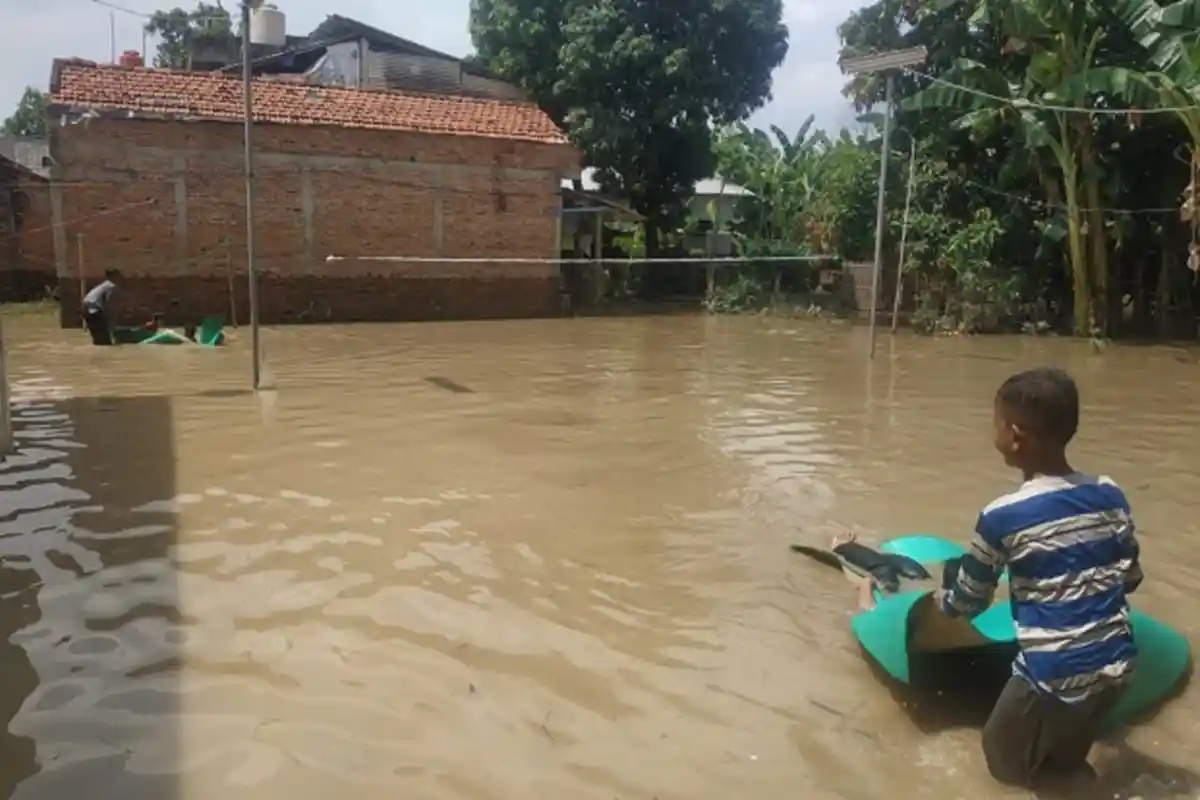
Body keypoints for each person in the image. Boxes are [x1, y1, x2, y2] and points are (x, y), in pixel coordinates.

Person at [933, 367, 1143, 787]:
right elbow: (1130, 577)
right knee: (1062, 761)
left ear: (1014, 434)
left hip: (1053, 675)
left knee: (1003, 761)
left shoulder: (1001, 516)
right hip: (1118, 662)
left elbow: (969, 602)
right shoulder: (1109, 492)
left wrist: (942, 602)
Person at [82, 269, 119, 346]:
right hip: (95, 310)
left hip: (86, 309)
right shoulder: (110, 285)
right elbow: (107, 301)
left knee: (97, 336)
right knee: (105, 339)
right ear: (113, 276)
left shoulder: (103, 285)